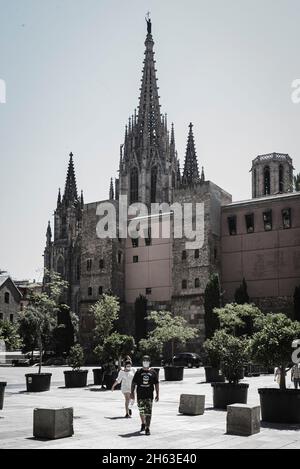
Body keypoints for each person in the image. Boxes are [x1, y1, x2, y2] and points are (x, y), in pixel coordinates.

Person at [131, 355, 159, 436]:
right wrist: (132, 393)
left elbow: (156, 383)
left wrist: (157, 394)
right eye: (144, 360)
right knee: (142, 411)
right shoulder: (138, 372)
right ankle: (143, 423)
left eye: (147, 360)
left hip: (149, 395)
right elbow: (133, 383)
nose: (145, 362)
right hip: (140, 395)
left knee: (148, 412)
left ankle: (147, 428)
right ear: (142, 362)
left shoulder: (153, 372)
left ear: (149, 362)